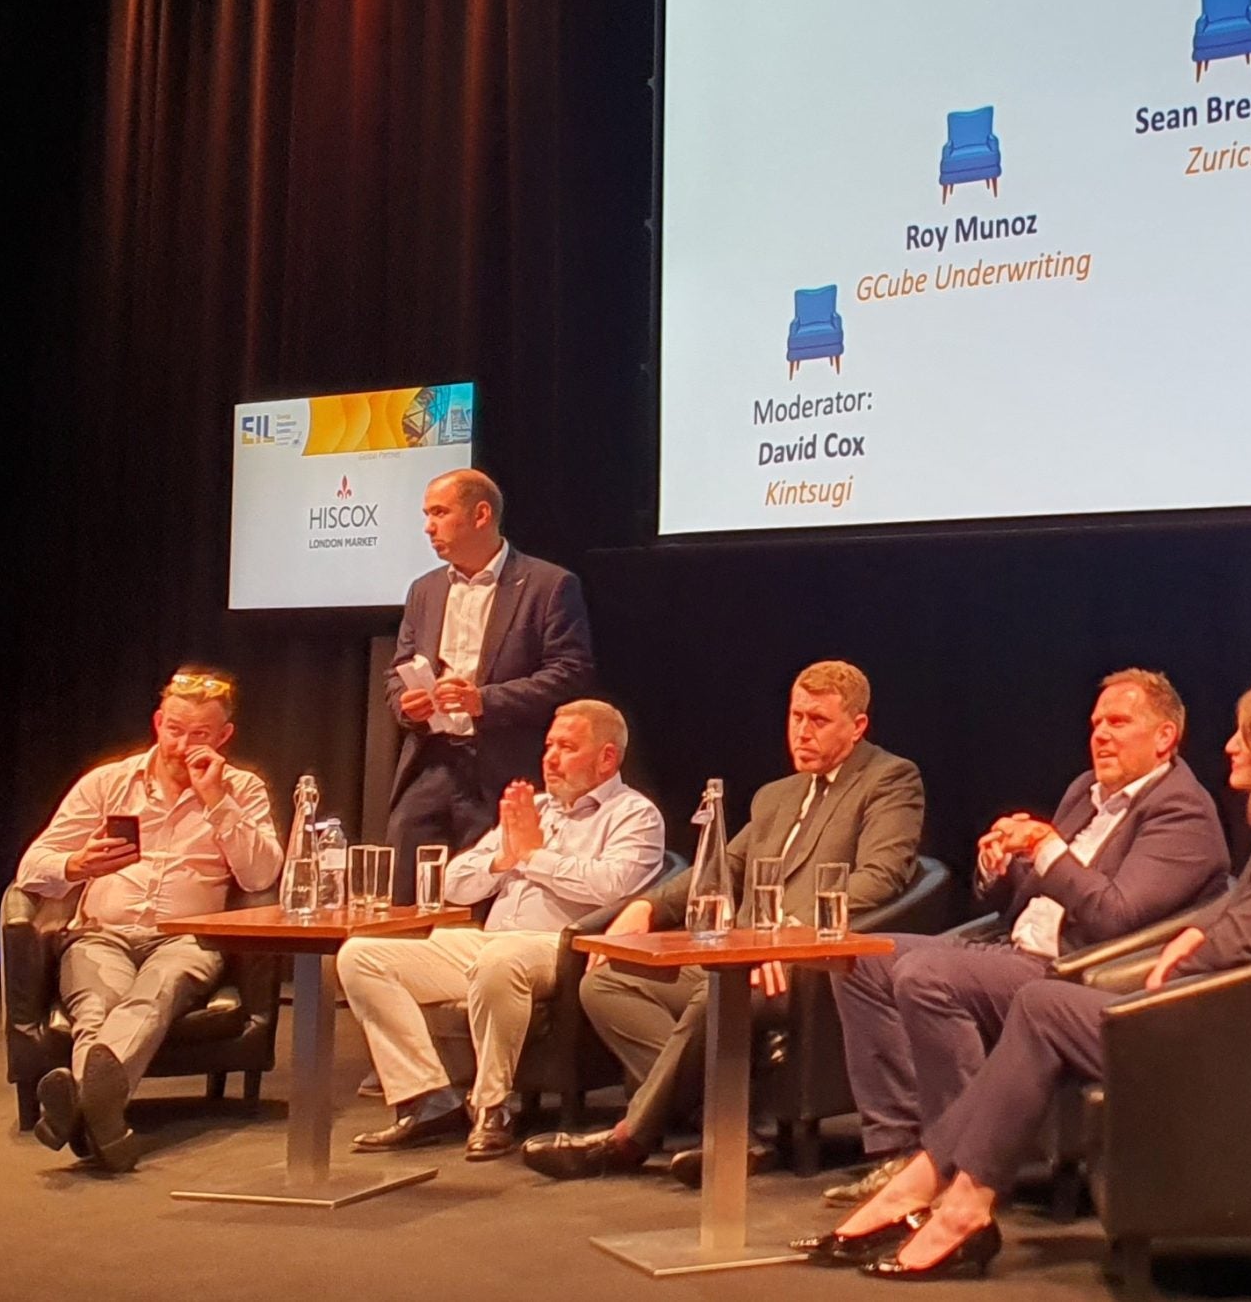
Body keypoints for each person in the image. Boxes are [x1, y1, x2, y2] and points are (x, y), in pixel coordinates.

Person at [802, 674, 1251, 1277]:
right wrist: (1010, 864)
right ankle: (941, 1189)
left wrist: (1183, 955)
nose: (1230, 746)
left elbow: (1225, 939)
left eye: (1247, 735)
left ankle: (943, 1194)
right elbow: (1235, 915)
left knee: (1040, 1003)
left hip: (1231, 1036)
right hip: (1204, 1011)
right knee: (983, 989)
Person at [814, 667, 1230, 1208]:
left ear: (1164, 736)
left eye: (1118, 722)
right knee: (860, 959)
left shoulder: (1182, 812)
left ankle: (967, 1165)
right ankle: (898, 1150)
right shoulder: (1085, 791)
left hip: (1076, 972)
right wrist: (1003, 865)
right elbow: (1036, 891)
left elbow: (1116, 914)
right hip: (1010, 949)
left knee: (925, 973)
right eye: (1096, 724)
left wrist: (1045, 846)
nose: (1101, 735)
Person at [521, 660, 925, 1184]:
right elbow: (721, 871)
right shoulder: (777, 795)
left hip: (808, 965)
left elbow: (880, 878)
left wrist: (789, 936)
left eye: (819, 720)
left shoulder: (890, 779)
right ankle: (734, 1131)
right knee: (607, 984)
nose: (802, 731)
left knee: (716, 992)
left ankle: (627, 1139)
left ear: (857, 726)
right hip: (744, 956)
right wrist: (647, 907)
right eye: (796, 716)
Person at [339, 698, 662, 1159]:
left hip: (561, 947)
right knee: (361, 955)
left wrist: (533, 855)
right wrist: (506, 857)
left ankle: (492, 1108)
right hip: (489, 940)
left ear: (607, 758)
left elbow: (612, 886)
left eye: (567, 747)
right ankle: (428, 1099)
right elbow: (456, 882)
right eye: (549, 746)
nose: (550, 758)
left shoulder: (634, 815)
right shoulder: (537, 808)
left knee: (499, 960)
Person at [15, 665, 283, 1171]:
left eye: (199, 735)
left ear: (223, 737)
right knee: (96, 1006)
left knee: (157, 991)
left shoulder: (241, 789)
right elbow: (32, 866)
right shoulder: (107, 783)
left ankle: (78, 1106)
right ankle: (102, 1121)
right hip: (101, 935)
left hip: (187, 938)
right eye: (174, 730)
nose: (182, 746)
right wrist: (77, 864)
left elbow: (261, 875)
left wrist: (216, 801)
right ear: (158, 722)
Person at [386, 468, 595, 897]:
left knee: (487, 896)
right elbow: (398, 669)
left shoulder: (547, 585)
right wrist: (406, 703)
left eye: (439, 513)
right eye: (427, 515)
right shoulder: (424, 590)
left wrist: (485, 701)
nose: (428, 527)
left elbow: (570, 673)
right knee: (405, 895)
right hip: (431, 762)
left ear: (481, 515)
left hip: (501, 769)